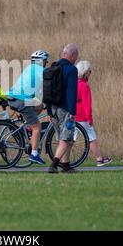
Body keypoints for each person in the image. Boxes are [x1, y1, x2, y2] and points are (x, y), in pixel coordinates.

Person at [6, 50, 49, 165]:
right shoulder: (42, 70)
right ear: (43, 61)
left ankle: (28, 127)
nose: (47, 63)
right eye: (46, 61)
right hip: (21, 100)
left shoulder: (29, 68)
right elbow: (47, 86)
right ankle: (34, 154)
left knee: (40, 105)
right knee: (37, 127)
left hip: (11, 98)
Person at [48, 44, 79, 174]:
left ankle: (66, 166)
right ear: (71, 55)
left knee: (67, 139)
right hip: (65, 108)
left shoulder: (53, 67)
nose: (76, 59)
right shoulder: (71, 69)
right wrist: (73, 112)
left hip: (53, 108)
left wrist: (49, 111)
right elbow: (72, 92)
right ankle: (54, 165)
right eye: (76, 57)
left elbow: (46, 91)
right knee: (65, 138)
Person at [75, 60, 112, 167]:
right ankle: (99, 159)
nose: (90, 73)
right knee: (91, 136)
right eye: (89, 71)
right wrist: (89, 119)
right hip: (82, 116)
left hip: (72, 115)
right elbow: (87, 105)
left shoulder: (73, 84)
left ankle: (61, 159)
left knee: (70, 139)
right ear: (85, 72)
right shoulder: (84, 86)